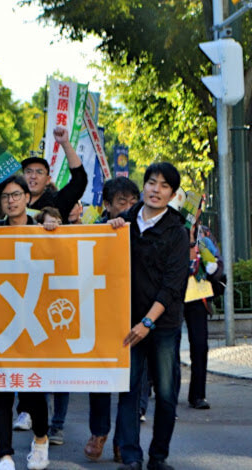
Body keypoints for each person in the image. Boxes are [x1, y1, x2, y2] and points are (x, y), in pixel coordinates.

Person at [106, 162, 190, 470]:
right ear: (144, 186)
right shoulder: (124, 223)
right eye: (152, 182)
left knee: (166, 395)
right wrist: (109, 230)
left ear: (172, 193)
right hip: (126, 322)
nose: (156, 189)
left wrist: (148, 322)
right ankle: (131, 457)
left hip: (162, 325)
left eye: (164, 185)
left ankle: (158, 456)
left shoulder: (178, 232)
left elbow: (172, 286)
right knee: (128, 392)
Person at [0, 175, 56, 470]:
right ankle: (5, 456)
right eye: (5, 197)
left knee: (32, 392)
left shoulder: (44, 228)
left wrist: (55, 232)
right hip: (0, 319)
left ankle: (41, 440)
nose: (11, 201)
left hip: (33, 319)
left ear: (28, 197)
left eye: (16, 195)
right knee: (1, 392)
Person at [84, 176, 140, 462]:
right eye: (122, 202)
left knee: (132, 383)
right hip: (102, 313)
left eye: (133, 202)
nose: (129, 208)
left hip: (136, 315)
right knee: (101, 378)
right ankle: (99, 432)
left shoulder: (144, 227)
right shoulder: (95, 230)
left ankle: (123, 439)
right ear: (107, 205)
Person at [183, 223, 223, 410]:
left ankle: (198, 395)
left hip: (198, 296)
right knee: (166, 346)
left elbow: (218, 264)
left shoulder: (204, 234)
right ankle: (160, 387)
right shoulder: (168, 228)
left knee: (199, 346)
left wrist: (212, 266)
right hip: (171, 295)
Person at [22, 126, 87, 222]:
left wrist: (65, 143)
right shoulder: (14, 202)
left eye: (39, 172)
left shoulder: (57, 201)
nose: (33, 176)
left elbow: (79, 180)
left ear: (48, 180)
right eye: (28, 171)